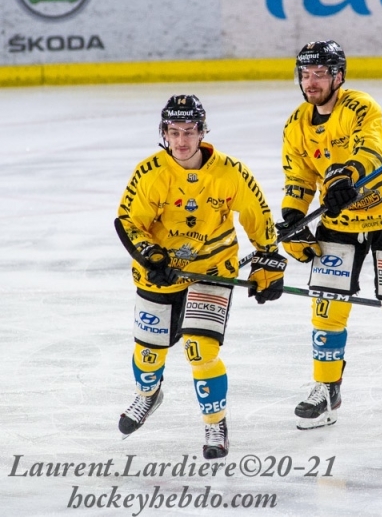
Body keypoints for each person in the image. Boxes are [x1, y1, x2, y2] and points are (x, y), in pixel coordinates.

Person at [116, 94, 286, 458]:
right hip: (160, 274)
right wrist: (151, 256)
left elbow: (258, 217)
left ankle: (215, 425)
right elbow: (128, 222)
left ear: (202, 131)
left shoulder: (230, 172)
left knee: (200, 350)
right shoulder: (151, 173)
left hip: (212, 268)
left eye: (189, 131)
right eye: (174, 132)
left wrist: (268, 260)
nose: (181, 141)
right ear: (163, 132)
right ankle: (148, 395)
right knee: (148, 355)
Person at [278, 40, 382, 430]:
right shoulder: (296, 124)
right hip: (340, 222)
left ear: (339, 76)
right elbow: (298, 178)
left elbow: (372, 149)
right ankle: (326, 387)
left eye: (319, 74)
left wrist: (346, 175)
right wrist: (292, 219)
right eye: (305, 74)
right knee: (327, 307)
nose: (311, 82)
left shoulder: (359, 105)